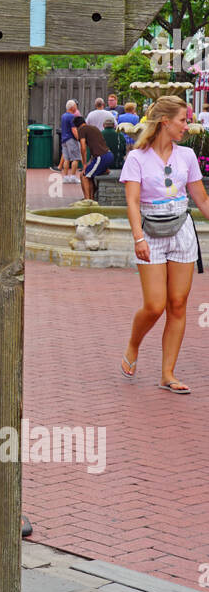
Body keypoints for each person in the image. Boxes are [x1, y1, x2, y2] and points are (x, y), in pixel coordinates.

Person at [119, 95, 209, 392]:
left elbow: (202, 199)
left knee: (178, 304)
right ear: (164, 122)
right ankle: (134, 345)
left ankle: (167, 374)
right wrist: (138, 237)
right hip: (151, 233)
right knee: (155, 305)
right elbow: (132, 202)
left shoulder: (187, 156)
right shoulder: (136, 158)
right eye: (183, 120)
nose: (187, 125)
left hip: (182, 231)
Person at [71, 112, 113, 200]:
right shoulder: (94, 128)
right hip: (108, 155)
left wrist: (84, 164)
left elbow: (83, 148)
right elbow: (97, 146)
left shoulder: (81, 129)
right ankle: (91, 198)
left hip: (101, 157)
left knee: (84, 176)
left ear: (77, 126)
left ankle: (87, 200)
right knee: (90, 175)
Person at [55, 100, 82, 183]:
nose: (76, 108)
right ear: (72, 107)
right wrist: (79, 138)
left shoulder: (63, 116)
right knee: (75, 159)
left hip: (64, 139)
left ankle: (65, 177)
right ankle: (73, 177)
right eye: (75, 106)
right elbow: (73, 129)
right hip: (71, 139)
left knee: (66, 159)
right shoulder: (72, 117)